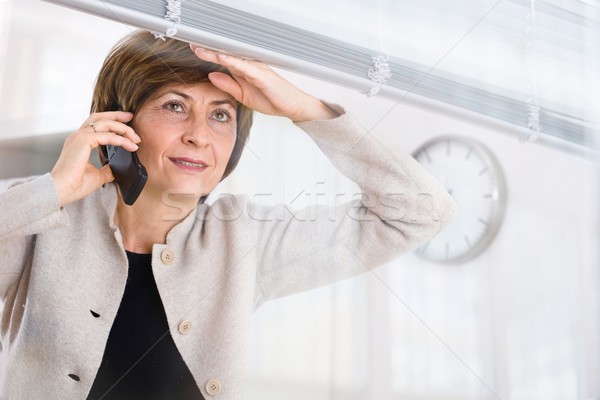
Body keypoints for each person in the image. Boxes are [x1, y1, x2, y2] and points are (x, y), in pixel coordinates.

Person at [0, 30, 455, 399]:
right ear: (119, 123)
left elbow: (420, 212)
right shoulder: (42, 216)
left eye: (221, 116)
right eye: (175, 106)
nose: (200, 136)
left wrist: (303, 109)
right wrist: (54, 190)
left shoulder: (245, 240)